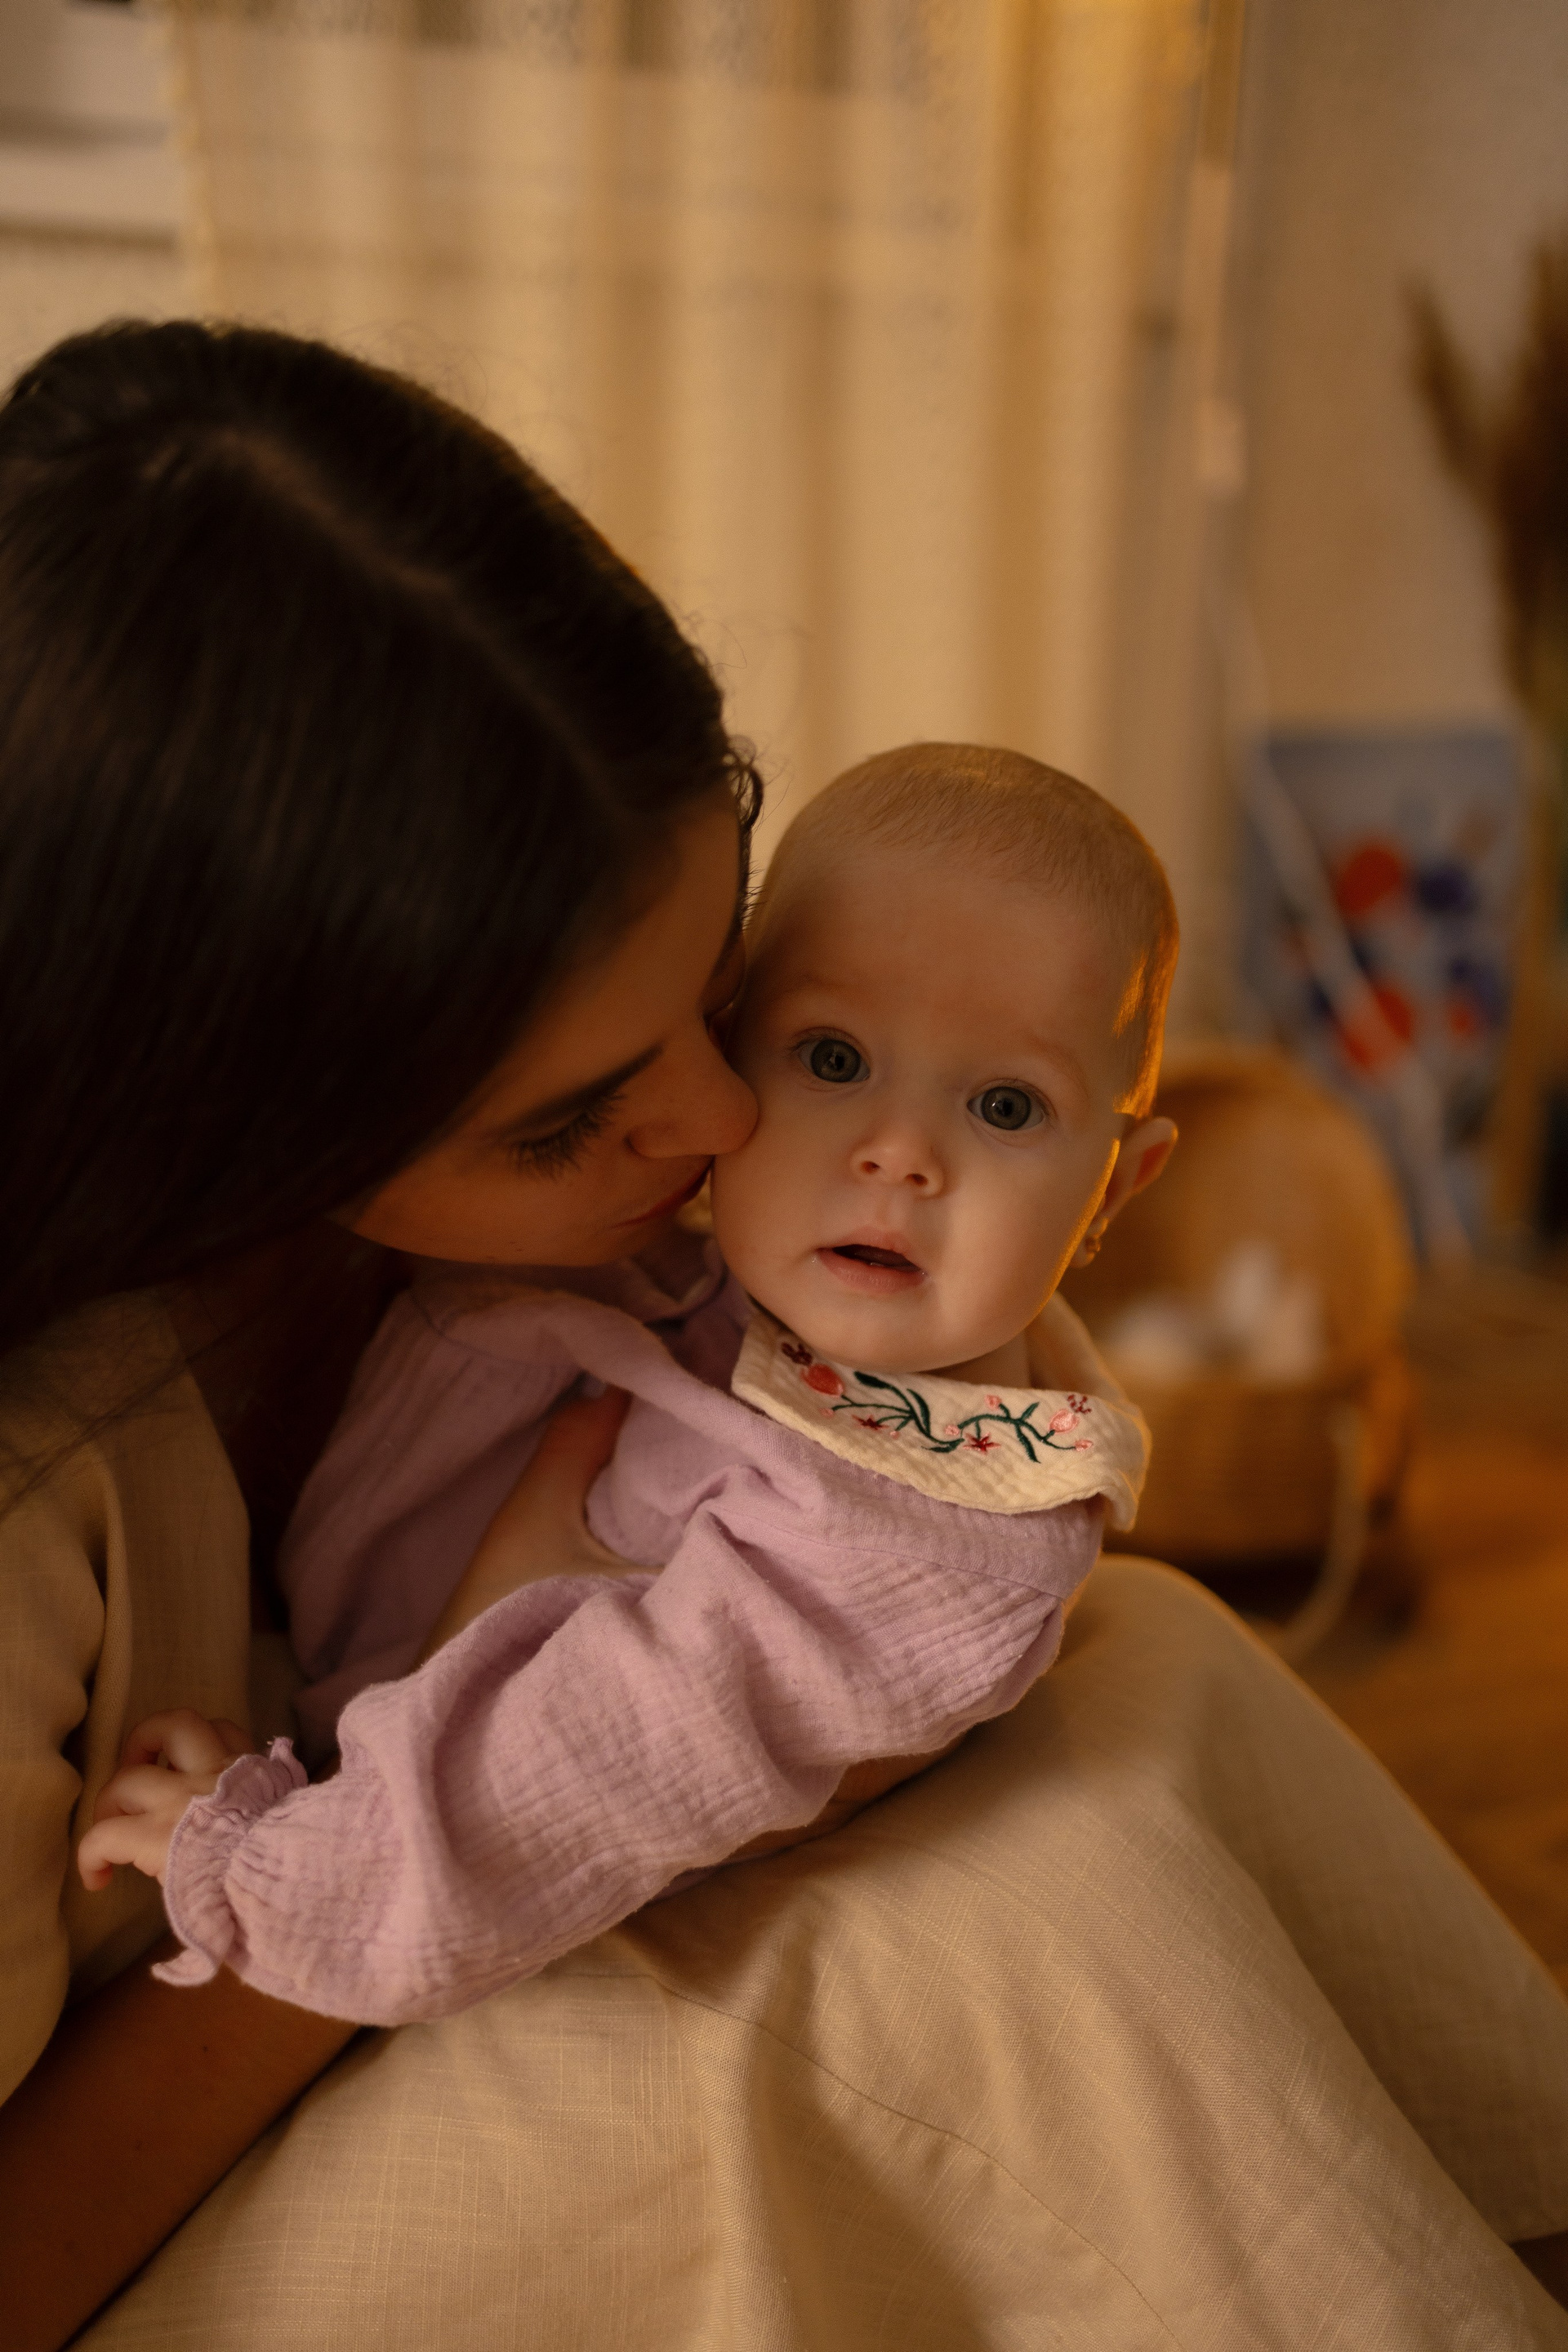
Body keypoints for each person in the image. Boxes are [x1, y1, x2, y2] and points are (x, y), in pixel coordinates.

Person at [1, 321, 1565, 2352]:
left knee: (1159, 1670)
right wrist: (417, 1745)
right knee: (1020, 1950)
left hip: (399, 1822)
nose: (729, 1121)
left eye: (717, 995)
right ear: (230, 1122)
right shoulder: (52, 1475)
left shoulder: (633, 1228)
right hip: (250, 2020)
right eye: (580, 1115)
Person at [74, 750, 1175, 2022]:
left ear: (1115, 1189)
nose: (899, 1153)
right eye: (831, 1058)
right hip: (345, 1702)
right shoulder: (794, 1310)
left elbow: (547, 1798)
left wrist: (265, 1862)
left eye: (1006, 1105)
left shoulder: (893, 1555)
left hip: (419, 1879)